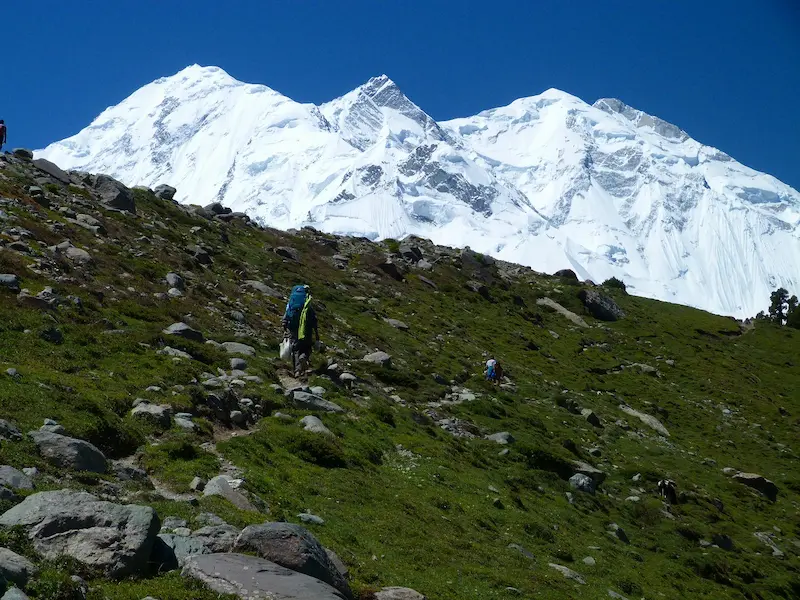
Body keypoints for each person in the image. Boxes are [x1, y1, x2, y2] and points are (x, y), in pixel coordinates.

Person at [282, 284, 319, 376]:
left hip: (293, 328)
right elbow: (314, 319)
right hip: (306, 329)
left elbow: (286, 316)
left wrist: (285, 328)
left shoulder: (292, 301)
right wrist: (316, 333)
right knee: (306, 346)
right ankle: (304, 357)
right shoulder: (307, 303)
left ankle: (297, 371)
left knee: (295, 349)